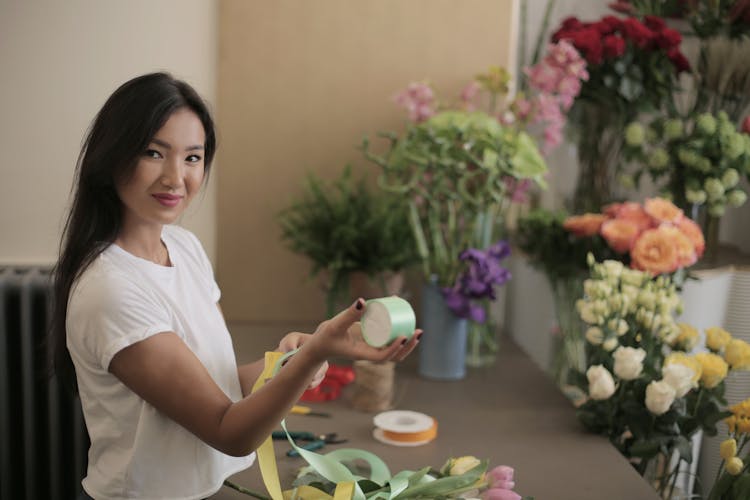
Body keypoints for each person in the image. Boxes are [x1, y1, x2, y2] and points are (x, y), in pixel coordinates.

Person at [50, 72, 422, 500]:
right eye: (154, 153)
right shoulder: (110, 291)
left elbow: (222, 382)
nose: (176, 178)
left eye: (193, 157)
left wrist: (293, 362)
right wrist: (317, 351)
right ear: (111, 157)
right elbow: (228, 431)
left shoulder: (184, 247)